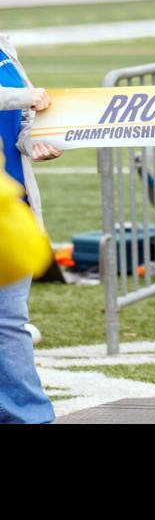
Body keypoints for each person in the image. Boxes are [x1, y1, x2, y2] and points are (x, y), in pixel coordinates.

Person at [0, 36, 64, 424]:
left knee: (10, 321)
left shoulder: (5, 48)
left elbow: (24, 125)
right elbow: (24, 99)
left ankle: (29, 417)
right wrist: (25, 98)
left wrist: (39, 142)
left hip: (11, 210)